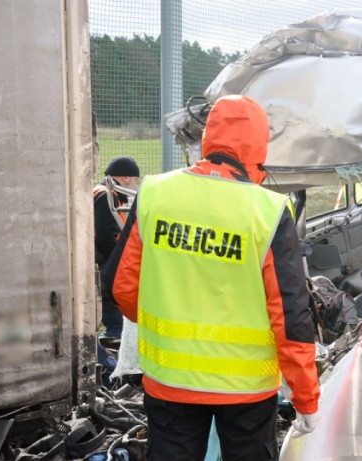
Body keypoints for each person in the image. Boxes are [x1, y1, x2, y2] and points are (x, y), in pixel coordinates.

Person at [106, 95, 320, 460]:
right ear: (258, 146)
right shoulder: (267, 211)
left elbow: (121, 288)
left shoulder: (155, 193)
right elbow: (290, 316)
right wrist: (305, 397)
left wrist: (169, 324)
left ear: (208, 138)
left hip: (170, 383)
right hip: (247, 393)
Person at [94, 156, 140, 339]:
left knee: (115, 323)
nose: (135, 186)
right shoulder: (106, 197)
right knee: (117, 325)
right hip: (105, 270)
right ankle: (106, 362)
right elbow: (107, 235)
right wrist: (119, 264)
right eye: (136, 180)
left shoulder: (104, 194)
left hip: (99, 267)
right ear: (126, 178)